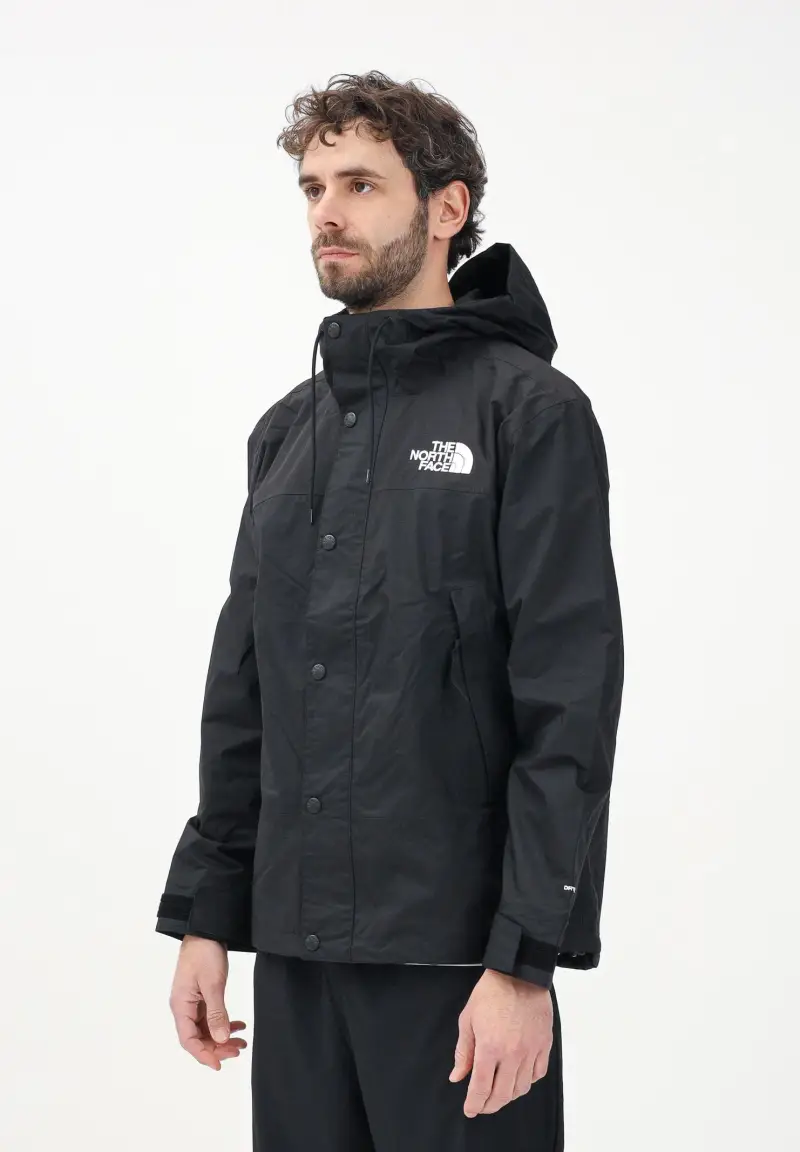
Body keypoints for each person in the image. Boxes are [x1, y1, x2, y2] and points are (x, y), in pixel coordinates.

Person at [155, 69, 624, 1151]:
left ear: (446, 207)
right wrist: (206, 917)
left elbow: (569, 700)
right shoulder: (289, 432)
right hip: (298, 958)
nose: (327, 211)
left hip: (458, 966)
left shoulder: (529, 412)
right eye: (313, 188)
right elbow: (246, 690)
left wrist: (524, 962)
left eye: (361, 184)